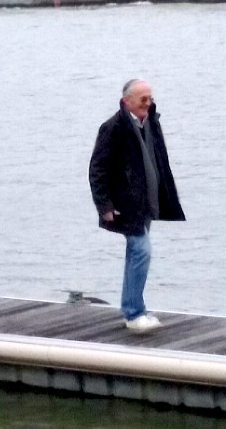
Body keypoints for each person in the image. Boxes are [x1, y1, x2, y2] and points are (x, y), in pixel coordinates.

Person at [89, 79, 185, 333]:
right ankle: (133, 314)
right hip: (125, 204)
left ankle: (134, 308)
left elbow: (158, 159)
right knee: (142, 250)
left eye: (150, 98)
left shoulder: (151, 122)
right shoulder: (113, 128)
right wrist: (104, 206)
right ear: (127, 101)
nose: (148, 103)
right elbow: (97, 169)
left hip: (147, 203)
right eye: (143, 98)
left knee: (135, 253)